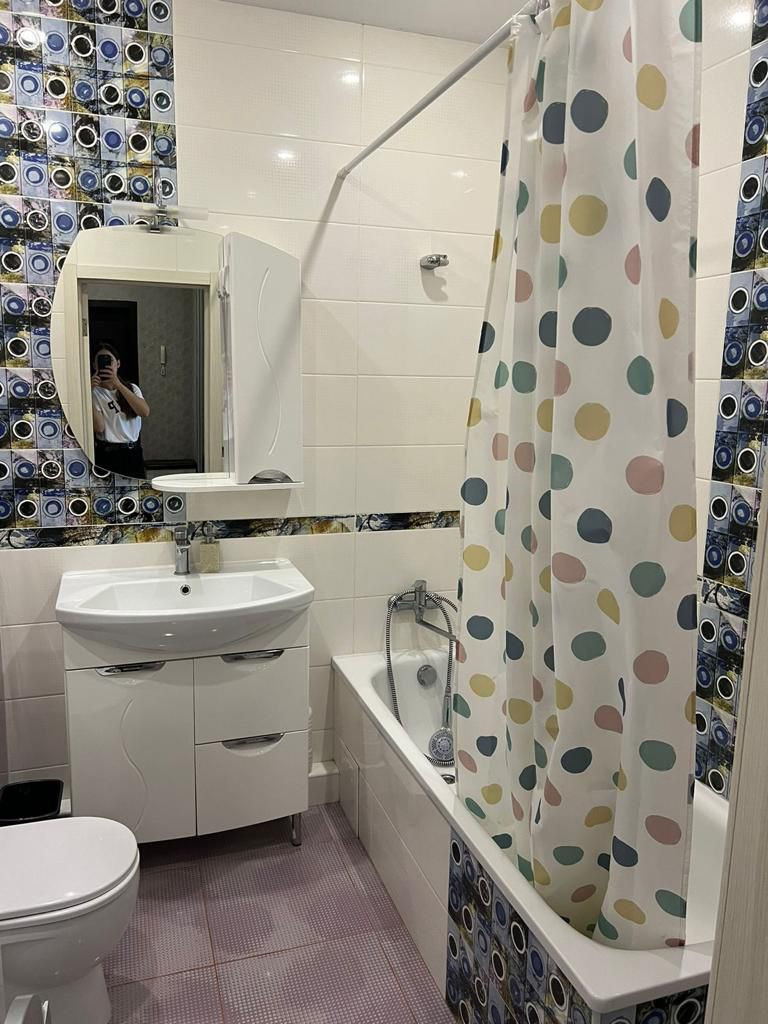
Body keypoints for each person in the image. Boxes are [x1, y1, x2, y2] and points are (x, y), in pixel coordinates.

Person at [90, 343, 150, 478]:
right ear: (95, 365)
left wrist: (118, 385)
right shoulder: (94, 392)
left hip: (133, 453)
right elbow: (99, 427)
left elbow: (144, 412)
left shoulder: (132, 388)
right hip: (107, 454)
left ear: (118, 364)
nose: (106, 365)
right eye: (101, 361)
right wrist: (88, 393)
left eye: (109, 360)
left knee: (136, 490)